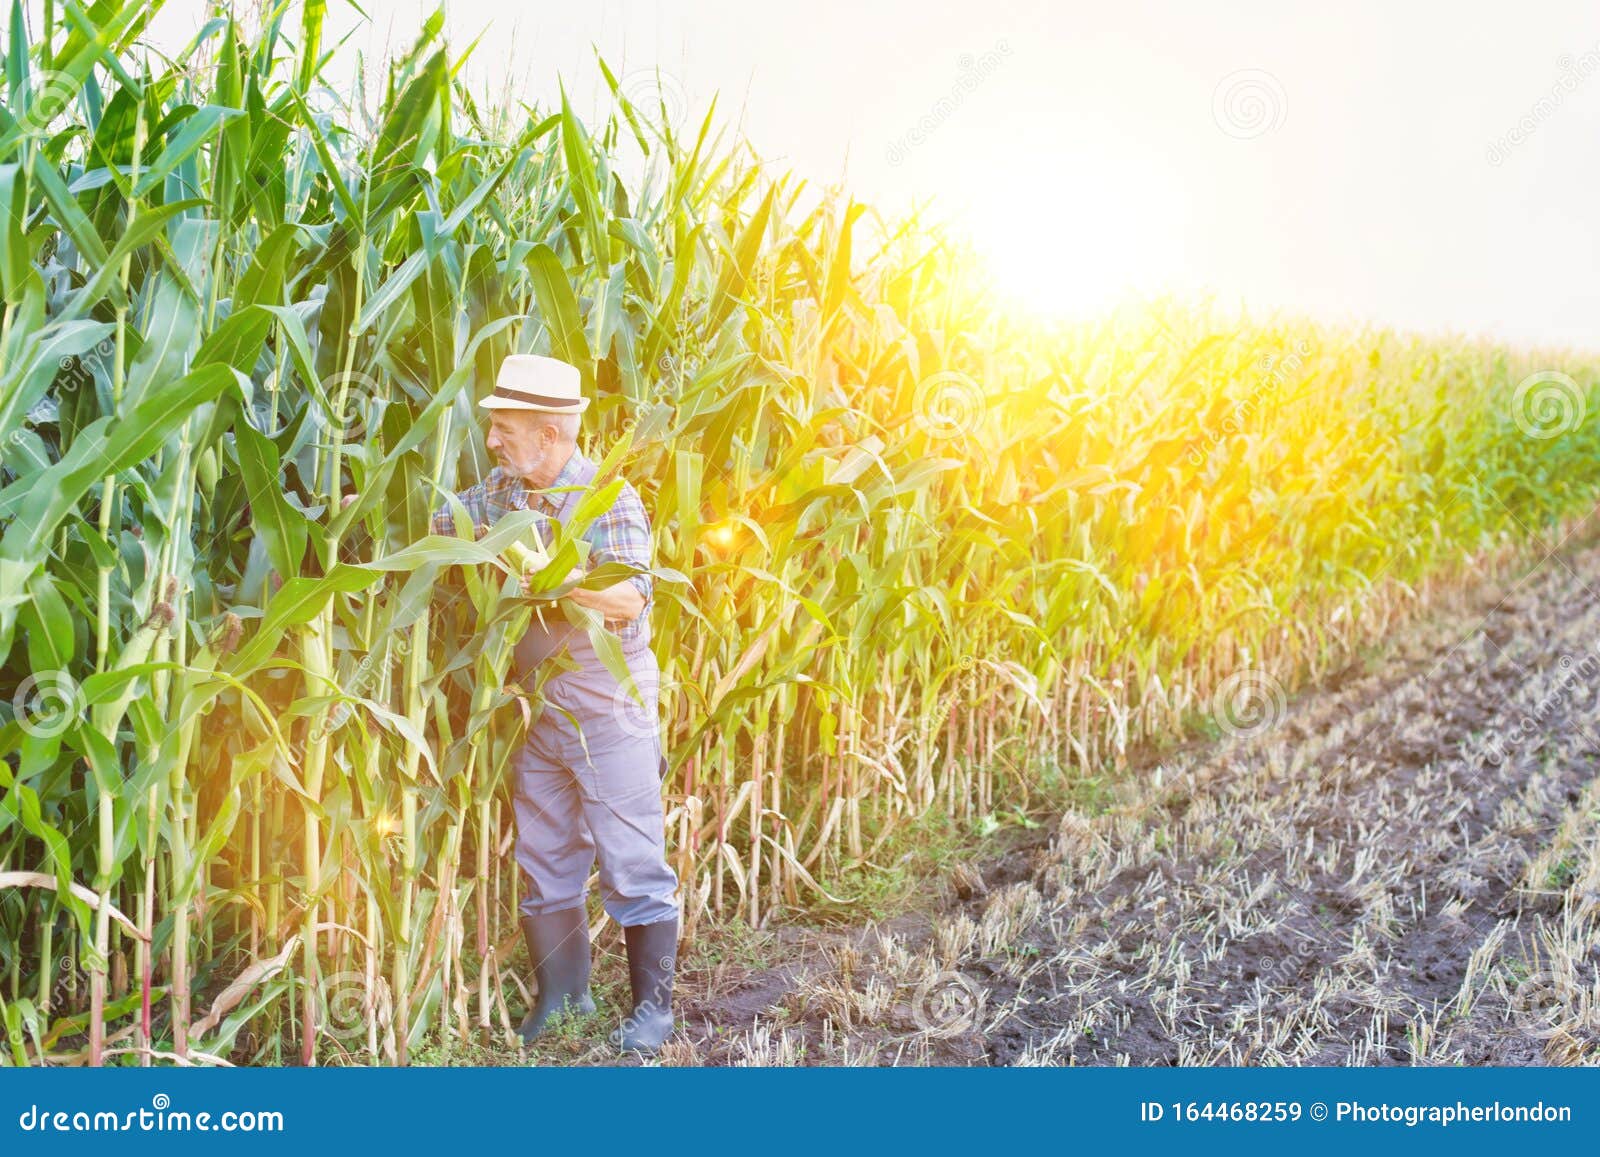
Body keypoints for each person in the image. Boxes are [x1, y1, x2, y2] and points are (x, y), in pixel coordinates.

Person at [429, 353, 679, 1054]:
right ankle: (562, 998)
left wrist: (557, 576)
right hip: (532, 701)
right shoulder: (502, 493)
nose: (494, 441)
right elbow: (448, 528)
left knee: (631, 855)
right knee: (544, 853)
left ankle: (652, 1012)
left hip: (605, 698)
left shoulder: (607, 497)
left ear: (551, 432)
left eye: (506, 428)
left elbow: (630, 597)